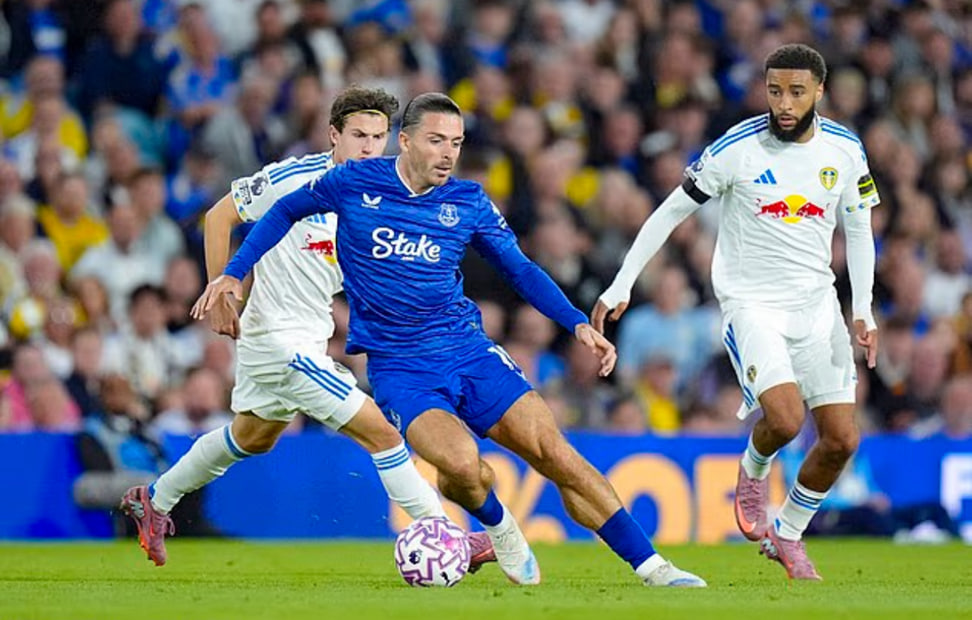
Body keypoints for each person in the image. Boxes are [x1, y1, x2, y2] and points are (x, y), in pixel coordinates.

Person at [194, 92, 706, 587]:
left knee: (555, 452)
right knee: (463, 467)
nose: (448, 154)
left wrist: (575, 323)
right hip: (400, 368)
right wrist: (235, 274)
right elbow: (283, 211)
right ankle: (500, 525)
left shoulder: (468, 201)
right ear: (408, 141)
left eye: (457, 143)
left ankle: (654, 567)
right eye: (437, 141)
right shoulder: (353, 182)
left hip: (467, 350)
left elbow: (520, 270)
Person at [120, 86, 493, 570]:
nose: (368, 146)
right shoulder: (294, 178)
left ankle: (154, 499)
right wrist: (222, 288)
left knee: (253, 436)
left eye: (379, 136)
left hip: (307, 335)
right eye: (358, 134)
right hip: (279, 342)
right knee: (383, 432)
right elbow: (218, 216)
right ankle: (446, 534)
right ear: (333, 135)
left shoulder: (384, 194)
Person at [593, 44, 881, 580]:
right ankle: (754, 468)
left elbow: (859, 227)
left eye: (797, 92)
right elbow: (672, 210)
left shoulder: (844, 149)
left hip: (818, 304)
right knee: (787, 418)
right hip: (752, 304)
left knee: (842, 439)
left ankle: (788, 535)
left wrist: (861, 310)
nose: (785, 103)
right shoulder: (738, 148)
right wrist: (621, 283)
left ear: (820, 91)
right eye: (775, 91)